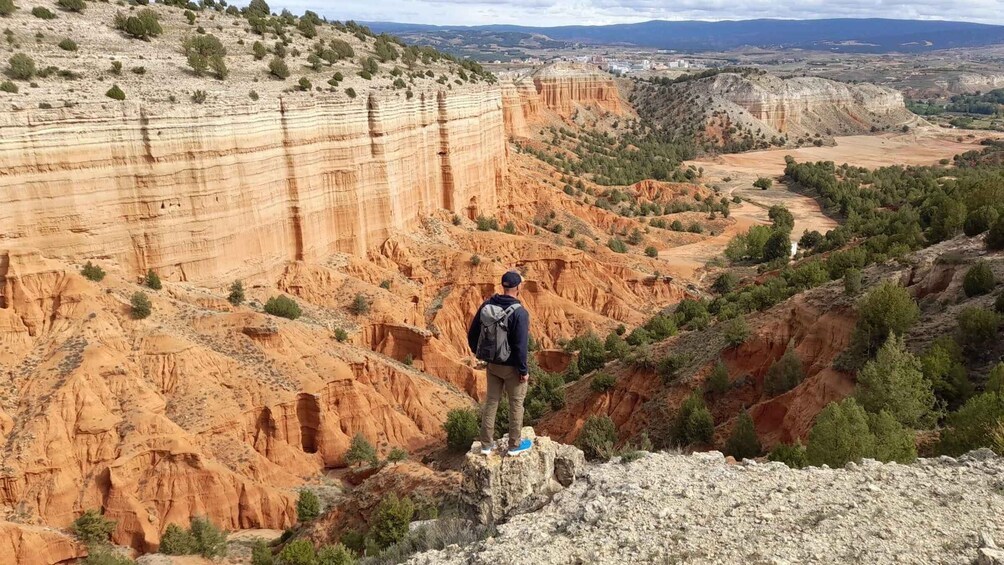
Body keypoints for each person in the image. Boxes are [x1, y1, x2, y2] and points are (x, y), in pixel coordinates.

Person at [467, 270, 532, 456]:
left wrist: (479, 353)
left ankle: (486, 445)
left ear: (503, 286)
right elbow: (521, 346)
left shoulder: (488, 305)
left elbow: (472, 333)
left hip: (493, 364)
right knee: (516, 404)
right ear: (518, 287)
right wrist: (523, 370)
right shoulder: (520, 313)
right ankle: (514, 445)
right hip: (512, 367)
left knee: (491, 403)